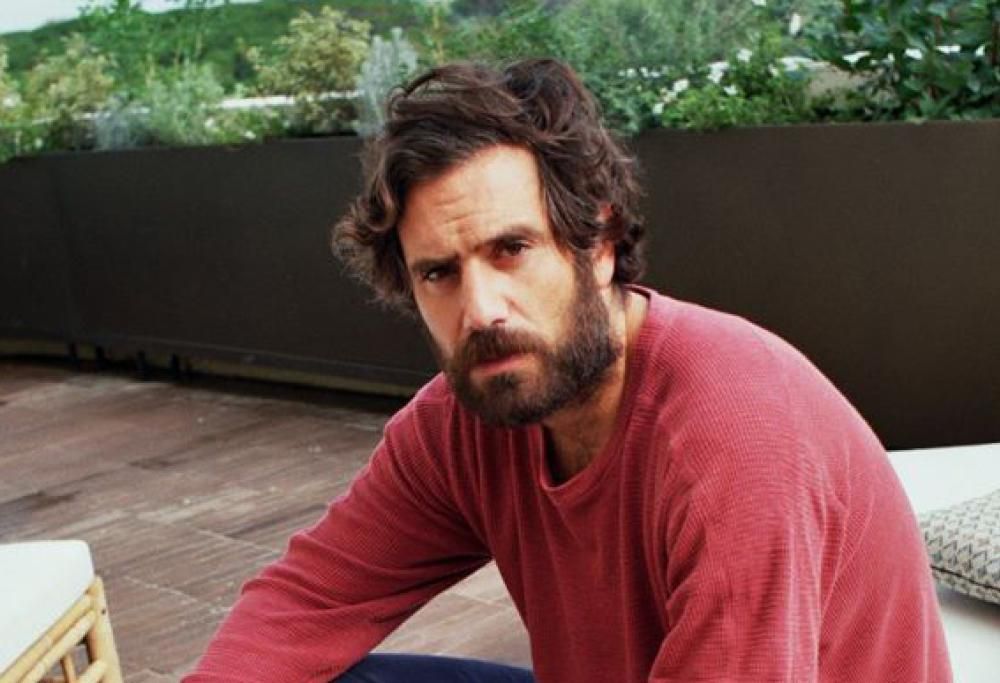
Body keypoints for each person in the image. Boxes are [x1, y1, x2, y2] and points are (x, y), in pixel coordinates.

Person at [184, 59, 951, 683]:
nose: (481, 310)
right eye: (439, 273)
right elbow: (310, 599)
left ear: (600, 243)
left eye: (511, 249)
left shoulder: (732, 436)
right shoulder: (470, 415)